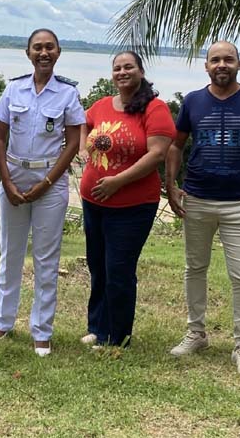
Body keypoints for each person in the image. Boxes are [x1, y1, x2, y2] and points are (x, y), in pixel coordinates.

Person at [165, 41, 240, 375]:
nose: (221, 65)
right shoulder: (193, 101)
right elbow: (175, 145)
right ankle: (196, 332)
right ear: (206, 66)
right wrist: (171, 185)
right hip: (197, 200)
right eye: (215, 60)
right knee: (194, 268)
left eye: (228, 59)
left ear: (239, 64)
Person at [0, 28, 85, 357]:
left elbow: (72, 143)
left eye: (49, 48)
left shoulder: (68, 94)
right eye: (37, 48)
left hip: (50, 182)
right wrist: (7, 182)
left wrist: (46, 183)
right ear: (28, 53)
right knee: (10, 254)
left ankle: (42, 331)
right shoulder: (13, 90)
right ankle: (3, 322)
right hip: (13, 176)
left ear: (58, 52)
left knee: (46, 258)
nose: (44, 53)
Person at [78, 51, 176, 348]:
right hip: (93, 202)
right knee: (98, 266)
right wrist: (83, 150)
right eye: (117, 68)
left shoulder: (154, 108)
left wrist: (117, 182)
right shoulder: (102, 105)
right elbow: (83, 123)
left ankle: (118, 335)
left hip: (132, 205)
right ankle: (98, 326)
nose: (122, 72)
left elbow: (157, 154)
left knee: (119, 269)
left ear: (141, 71)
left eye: (128, 67)